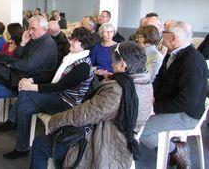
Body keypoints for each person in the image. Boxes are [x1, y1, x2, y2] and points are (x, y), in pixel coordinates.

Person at [31, 41, 153, 169]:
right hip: (121, 140)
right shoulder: (145, 84)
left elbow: (84, 115)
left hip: (104, 146)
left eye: (113, 62)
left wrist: (53, 121)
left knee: (40, 144)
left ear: (123, 65)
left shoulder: (118, 90)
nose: (111, 65)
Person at [2, 27, 95, 160]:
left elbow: (58, 86)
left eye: (74, 40)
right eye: (71, 39)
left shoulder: (83, 66)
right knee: (23, 108)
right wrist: (31, 80)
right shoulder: (70, 57)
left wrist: (31, 87)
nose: (70, 42)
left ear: (83, 45)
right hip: (56, 98)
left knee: (26, 93)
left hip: (66, 104)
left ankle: (11, 119)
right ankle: (21, 148)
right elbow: (52, 74)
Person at [140, 21, 208, 168]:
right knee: (137, 119)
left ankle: (176, 150)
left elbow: (187, 101)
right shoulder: (174, 53)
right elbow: (160, 79)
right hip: (172, 107)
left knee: (141, 130)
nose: (161, 34)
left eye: (164, 31)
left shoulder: (192, 61)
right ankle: (173, 150)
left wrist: (156, 109)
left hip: (187, 115)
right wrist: (151, 97)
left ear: (173, 37)